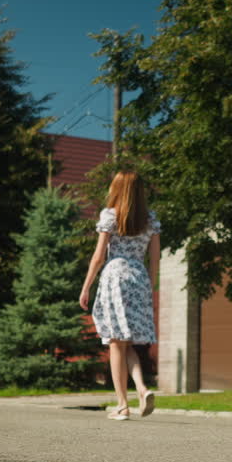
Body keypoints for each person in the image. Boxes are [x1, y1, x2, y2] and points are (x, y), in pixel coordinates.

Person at [79, 170, 161, 421]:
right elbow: (155, 258)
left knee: (115, 342)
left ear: (117, 189)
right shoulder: (150, 220)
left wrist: (86, 287)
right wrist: (151, 286)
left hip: (115, 276)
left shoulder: (110, 216)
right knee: (127, 343)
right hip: (138, 277)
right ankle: (142, 388)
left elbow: (98, 256)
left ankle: (122, 405)